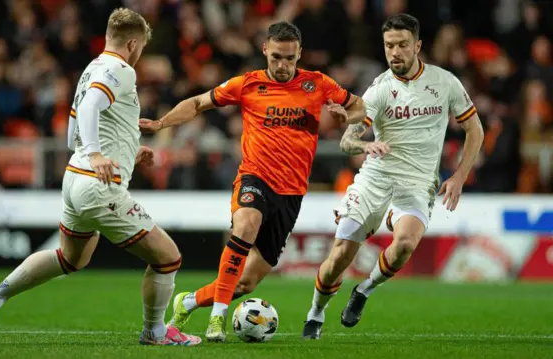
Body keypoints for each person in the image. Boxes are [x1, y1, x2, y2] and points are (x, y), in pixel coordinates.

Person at [0, 8, 201, 347]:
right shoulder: (121, 69)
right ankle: (156, 332)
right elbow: (90, 108)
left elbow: (75, 129)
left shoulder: (91, 68)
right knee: (168, 258)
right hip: (97, 185)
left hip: (75, 180)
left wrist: (124, 152)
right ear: (133, 43)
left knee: (70, 257)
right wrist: (96, 154)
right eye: (142, 48)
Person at [139, 21, 366, 342]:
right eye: (276, 57)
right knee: (245, 226)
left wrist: (348, 118)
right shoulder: (247, 84)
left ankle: (187, 301)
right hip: (254, 177)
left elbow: (358, 105)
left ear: (299, 53)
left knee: (246, 284)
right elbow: (197, 103)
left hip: (291, 194)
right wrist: (162, 123)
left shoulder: (318, 84)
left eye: (289, 58)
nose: (283, 65)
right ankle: (217, 319)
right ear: (265, 51)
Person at [300, 14, 484, 339]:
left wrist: (458, 177)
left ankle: (364, 291)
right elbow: (346, 141)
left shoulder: (445, 83)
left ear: (418, 46)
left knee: (404, 245)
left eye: (401, 45)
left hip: (416, 184)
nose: (395, 52)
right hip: (375, 180)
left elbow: (475, 130)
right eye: (389, 46)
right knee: (339, 257)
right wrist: (364, 143)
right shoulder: (380, 90)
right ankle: (316, 312)